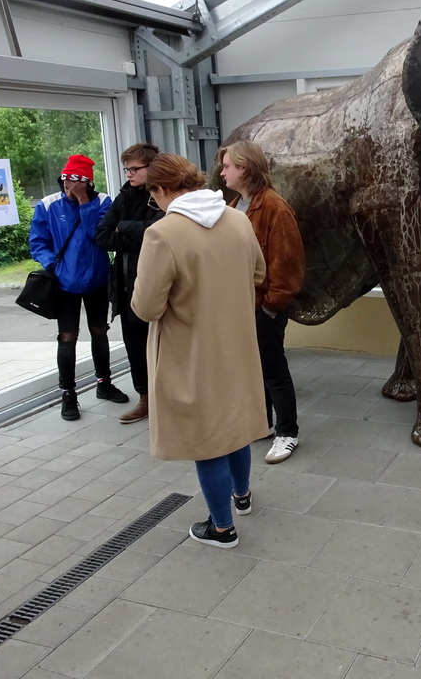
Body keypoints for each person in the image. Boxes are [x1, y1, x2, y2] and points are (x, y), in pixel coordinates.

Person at [131, 153, 267, 549]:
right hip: (237, 343)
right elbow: (258, 273)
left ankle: (222, 528)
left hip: (191, 350)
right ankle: (241, 496)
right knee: (234, 421)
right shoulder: (237, 218)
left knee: (205, 437)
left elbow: (147, 307)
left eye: (151, 194)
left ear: (160, 190)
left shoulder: (163, 234)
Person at [217, 141, 305, 465]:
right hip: (243, 305)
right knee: (256, 370)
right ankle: (265, 424)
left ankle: (288, 433)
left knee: (273, 369)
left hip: (263, 306)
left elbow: (288, 264)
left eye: (227, 166)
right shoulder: (238, 202)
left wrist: (270, 307)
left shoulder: (273, 207)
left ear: (245, 168)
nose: (222, 171)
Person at [29, 154, 129, 421]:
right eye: (65, 181)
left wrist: (83, 201)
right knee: (67, 336)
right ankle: (68, 394)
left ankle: (103, 384)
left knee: (100, 330)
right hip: (64, 283)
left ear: (87, 183)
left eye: (74, 182)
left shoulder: (103, 202)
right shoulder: (48, 205)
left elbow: (98, 234)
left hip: (96, 280)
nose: (68, 187)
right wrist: (53, 266)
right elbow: (38, 242)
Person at [96, 143, 163, 423]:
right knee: (135, 347)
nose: (129, 174)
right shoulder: (124, 196)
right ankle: (145, 399)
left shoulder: (161, 194)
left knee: (161, 347)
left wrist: (123, 226)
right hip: (125, 285)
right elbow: (101, 235)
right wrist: (132, 232)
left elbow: (158, 231)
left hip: (154, 284)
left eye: (134, 169)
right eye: (127, 169)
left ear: (152, 168)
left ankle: (168, 401)